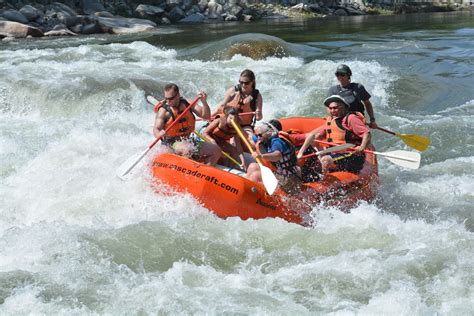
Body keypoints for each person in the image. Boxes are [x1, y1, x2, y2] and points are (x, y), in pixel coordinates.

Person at [297, 95, 371, 175]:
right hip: (334, 153)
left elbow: (366, 133)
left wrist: (362, 147)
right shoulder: (330, 120)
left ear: (344, 107)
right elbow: (319, 136)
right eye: (330, 108)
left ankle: (324, 181)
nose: (332, 110)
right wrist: (309, 144)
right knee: (310, 151)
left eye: (335, 108)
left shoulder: (351, 118)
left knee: (325, 160)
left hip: (352, 155)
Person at [153, 83, 221, 166]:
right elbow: (156, 128)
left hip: (188, 141)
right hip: (172, 144)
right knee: (187, 149)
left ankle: (205, 171)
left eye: (170, 98)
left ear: (178, 95)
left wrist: (204, 102)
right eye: (166, 98)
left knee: (216, 150)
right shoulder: (164, 111)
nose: (168, 101)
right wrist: (159, 134)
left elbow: (206, 116)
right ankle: (190, 168)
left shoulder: (187, 104)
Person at [246, 121, 301, 195]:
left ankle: (255, 197)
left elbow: (277, 155)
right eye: (257, 135)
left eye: (260, 135)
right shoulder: (264, 139)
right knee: (253, 166)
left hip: (290, 177)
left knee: (255, 175)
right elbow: (250, 139)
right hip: (280, 174)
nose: (258, 137)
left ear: (268, 132)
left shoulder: (277, 142)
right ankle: (249, 193)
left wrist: (261, 156)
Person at [213, 69, 263, 145]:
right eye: (241, 82)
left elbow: (259, 118)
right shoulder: (232, 91)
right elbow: (222, 106)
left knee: (252, 143)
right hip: (230, 124)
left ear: (252, 82)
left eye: (246, 83)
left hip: (244, 126)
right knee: (233, 144)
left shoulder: (257, 97)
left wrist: (258, 113)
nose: (243, 85)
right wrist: (212, 116)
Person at [328, 64, 378, 128]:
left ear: (348, 75)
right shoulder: (333, 90)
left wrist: (372, 120)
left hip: (357, 123)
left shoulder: (358, 87)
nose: (340, 77)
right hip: (340, 124)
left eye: (342, 74)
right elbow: (329, 108)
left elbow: (367, 104)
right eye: (338, 74)